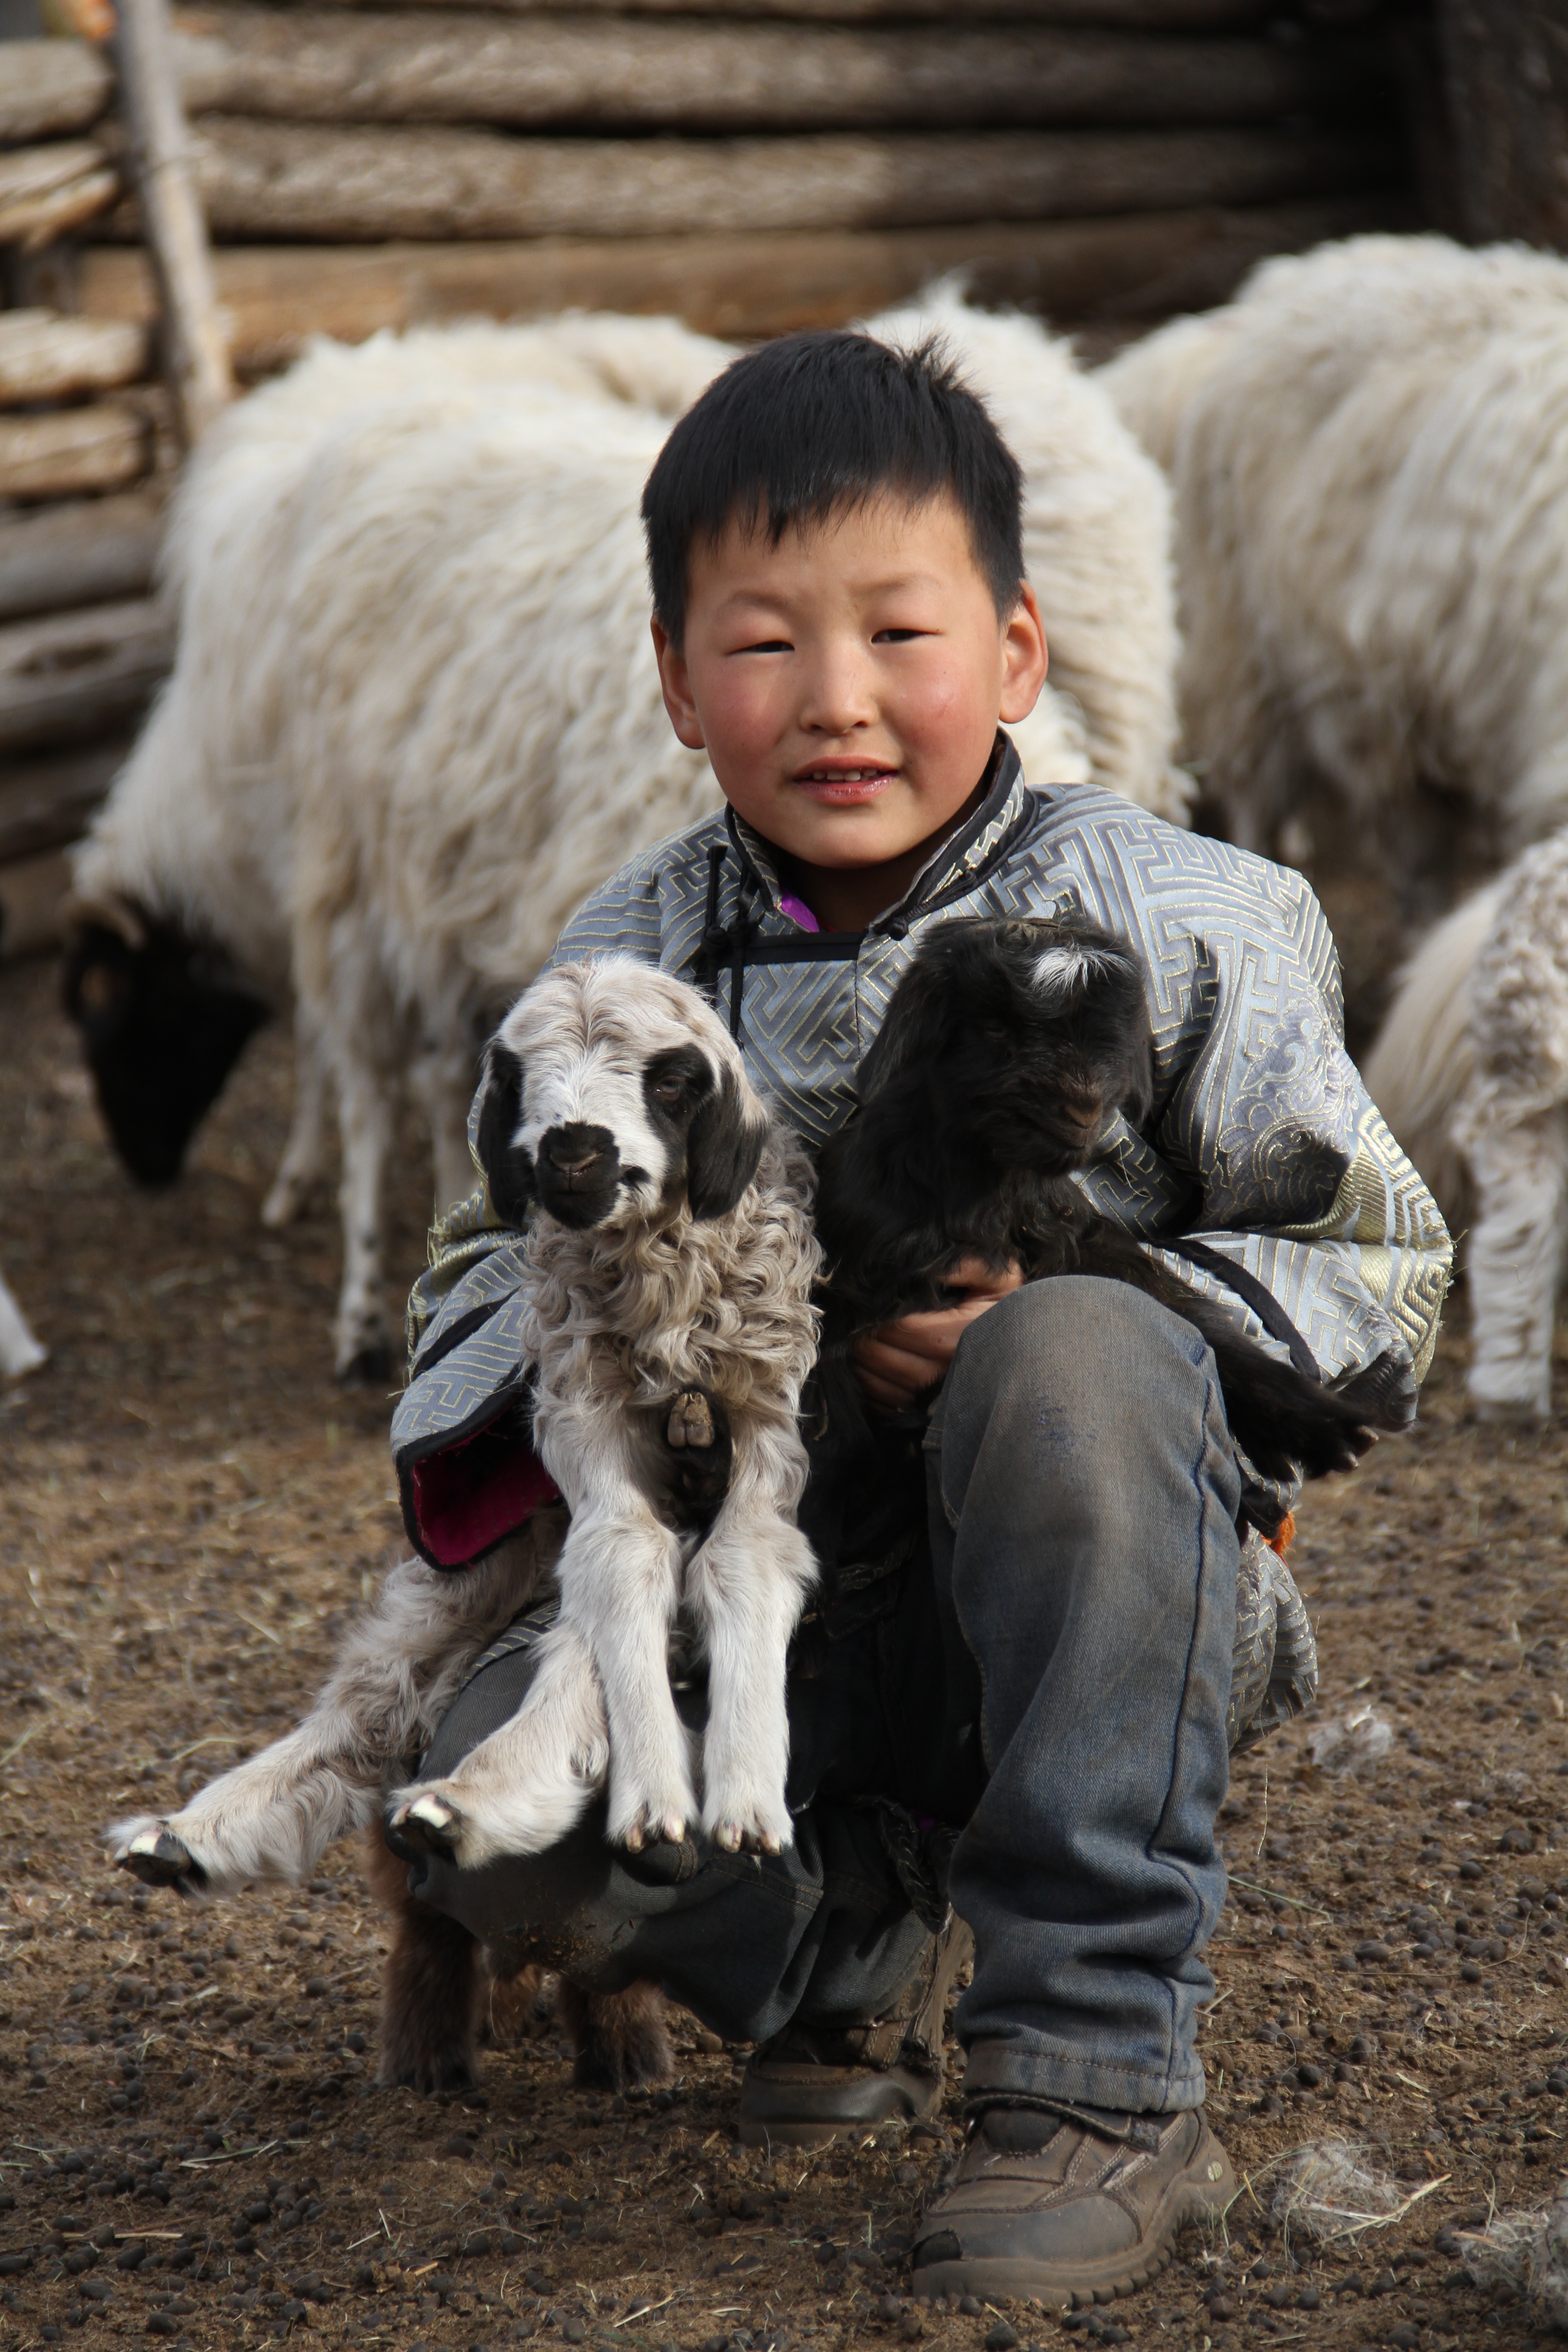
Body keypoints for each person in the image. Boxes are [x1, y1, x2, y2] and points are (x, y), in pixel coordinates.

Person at [385, 329, 1450, 2306]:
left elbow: (1374, 1261)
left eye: (902, 630)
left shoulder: (1184, 915)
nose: (840, 700)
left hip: (1080, 1587)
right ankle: (832, 1947)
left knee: (1071, 1359)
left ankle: (1093, 2070)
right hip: (755, 1573)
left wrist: (1094, 1313)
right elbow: (477, 1282)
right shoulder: (626, 964)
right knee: (485, 1810)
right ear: (677, 678)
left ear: (1024, 651)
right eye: (767, 643)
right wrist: (704, 1365)